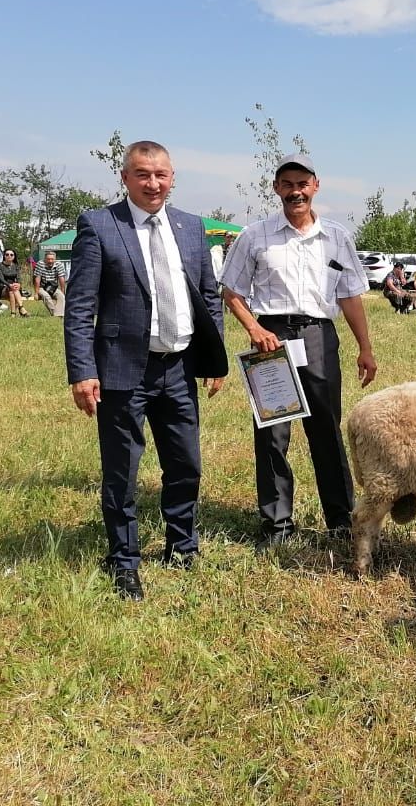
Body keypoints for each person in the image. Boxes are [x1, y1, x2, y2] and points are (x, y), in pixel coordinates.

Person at [64, 140, 228, 601]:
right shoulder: (99, 225)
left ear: (172, 177)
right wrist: (82, 369)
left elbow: (208, 296)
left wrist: (213, 359)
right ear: (125, 178)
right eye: (142, 174)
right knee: (122, 471)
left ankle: (182, 546)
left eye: (161, 175)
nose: (152, 183)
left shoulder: (192, 228)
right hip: (121, 371)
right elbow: (80, 307)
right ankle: (124, 560)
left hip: (177, 367)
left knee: (186, 464)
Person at [219, 152, 376, 548]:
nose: (295, 191)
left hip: (320, 337)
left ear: (315, 186)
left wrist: (365, 348)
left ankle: (341, 519)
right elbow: (231, 290)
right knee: (273, 433)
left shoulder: (336, 237)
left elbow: (351, 296)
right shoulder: (255, 236)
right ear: (276, 189)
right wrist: (254, 327)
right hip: (271, 338)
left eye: (302, 184)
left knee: (326, 430)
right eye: (287, 184)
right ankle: (277, 525)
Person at [33, 250, 68, 316]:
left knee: (62, 297)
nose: (50, 261)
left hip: (53, 287)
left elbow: (61, 279)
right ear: (45, 259)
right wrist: (36, 293)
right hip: (42, 287)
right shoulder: (40, 264)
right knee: (46, 296)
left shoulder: (59, 264)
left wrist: (63, 292)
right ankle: (55, 314)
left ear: (55, 259)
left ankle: (60, 314)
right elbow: (37, 280)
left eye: (52, 259)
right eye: (48, 259)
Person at [0, 249, 29, 317]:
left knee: (12, 291)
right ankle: (21, 308)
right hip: (3, 287)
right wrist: (9, 285)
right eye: (7, 254)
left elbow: (19, 277)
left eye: (11, 255)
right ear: (4, 256)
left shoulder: (16, 265)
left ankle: (13, 313)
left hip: (14, 288)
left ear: (14, 256)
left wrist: (19, 284)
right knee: (12, 290)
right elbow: (1, 278)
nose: (9, 256)